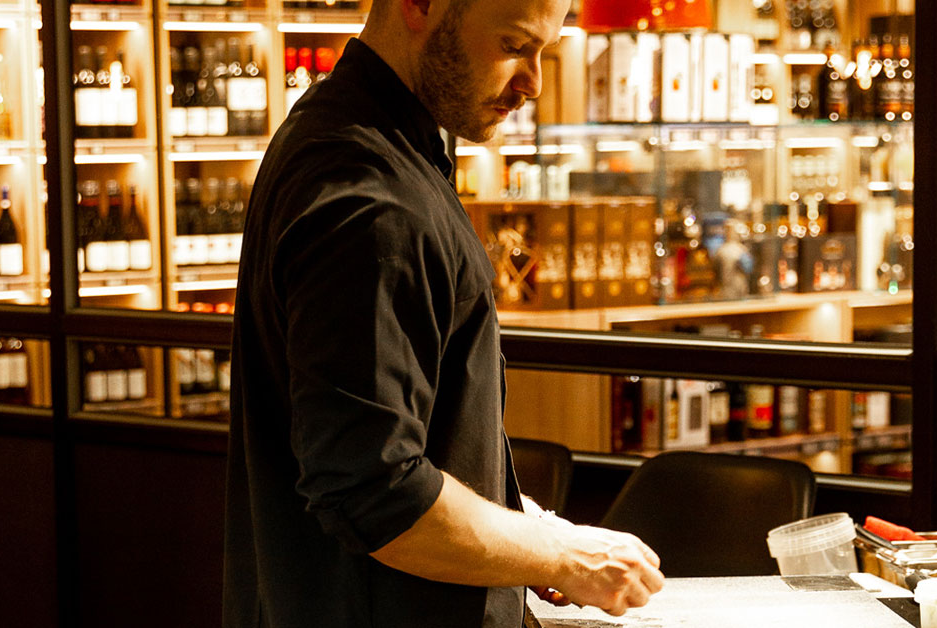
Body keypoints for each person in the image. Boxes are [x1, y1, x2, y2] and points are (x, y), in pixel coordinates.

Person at [223, 0, 665, 626]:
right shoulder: (373, 200)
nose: (533, 82)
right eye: (514, 45)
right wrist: (558, 553)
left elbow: (414, 439)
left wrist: (523, 529)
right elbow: (375, 493)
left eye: (544, 52)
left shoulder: (340, 132)